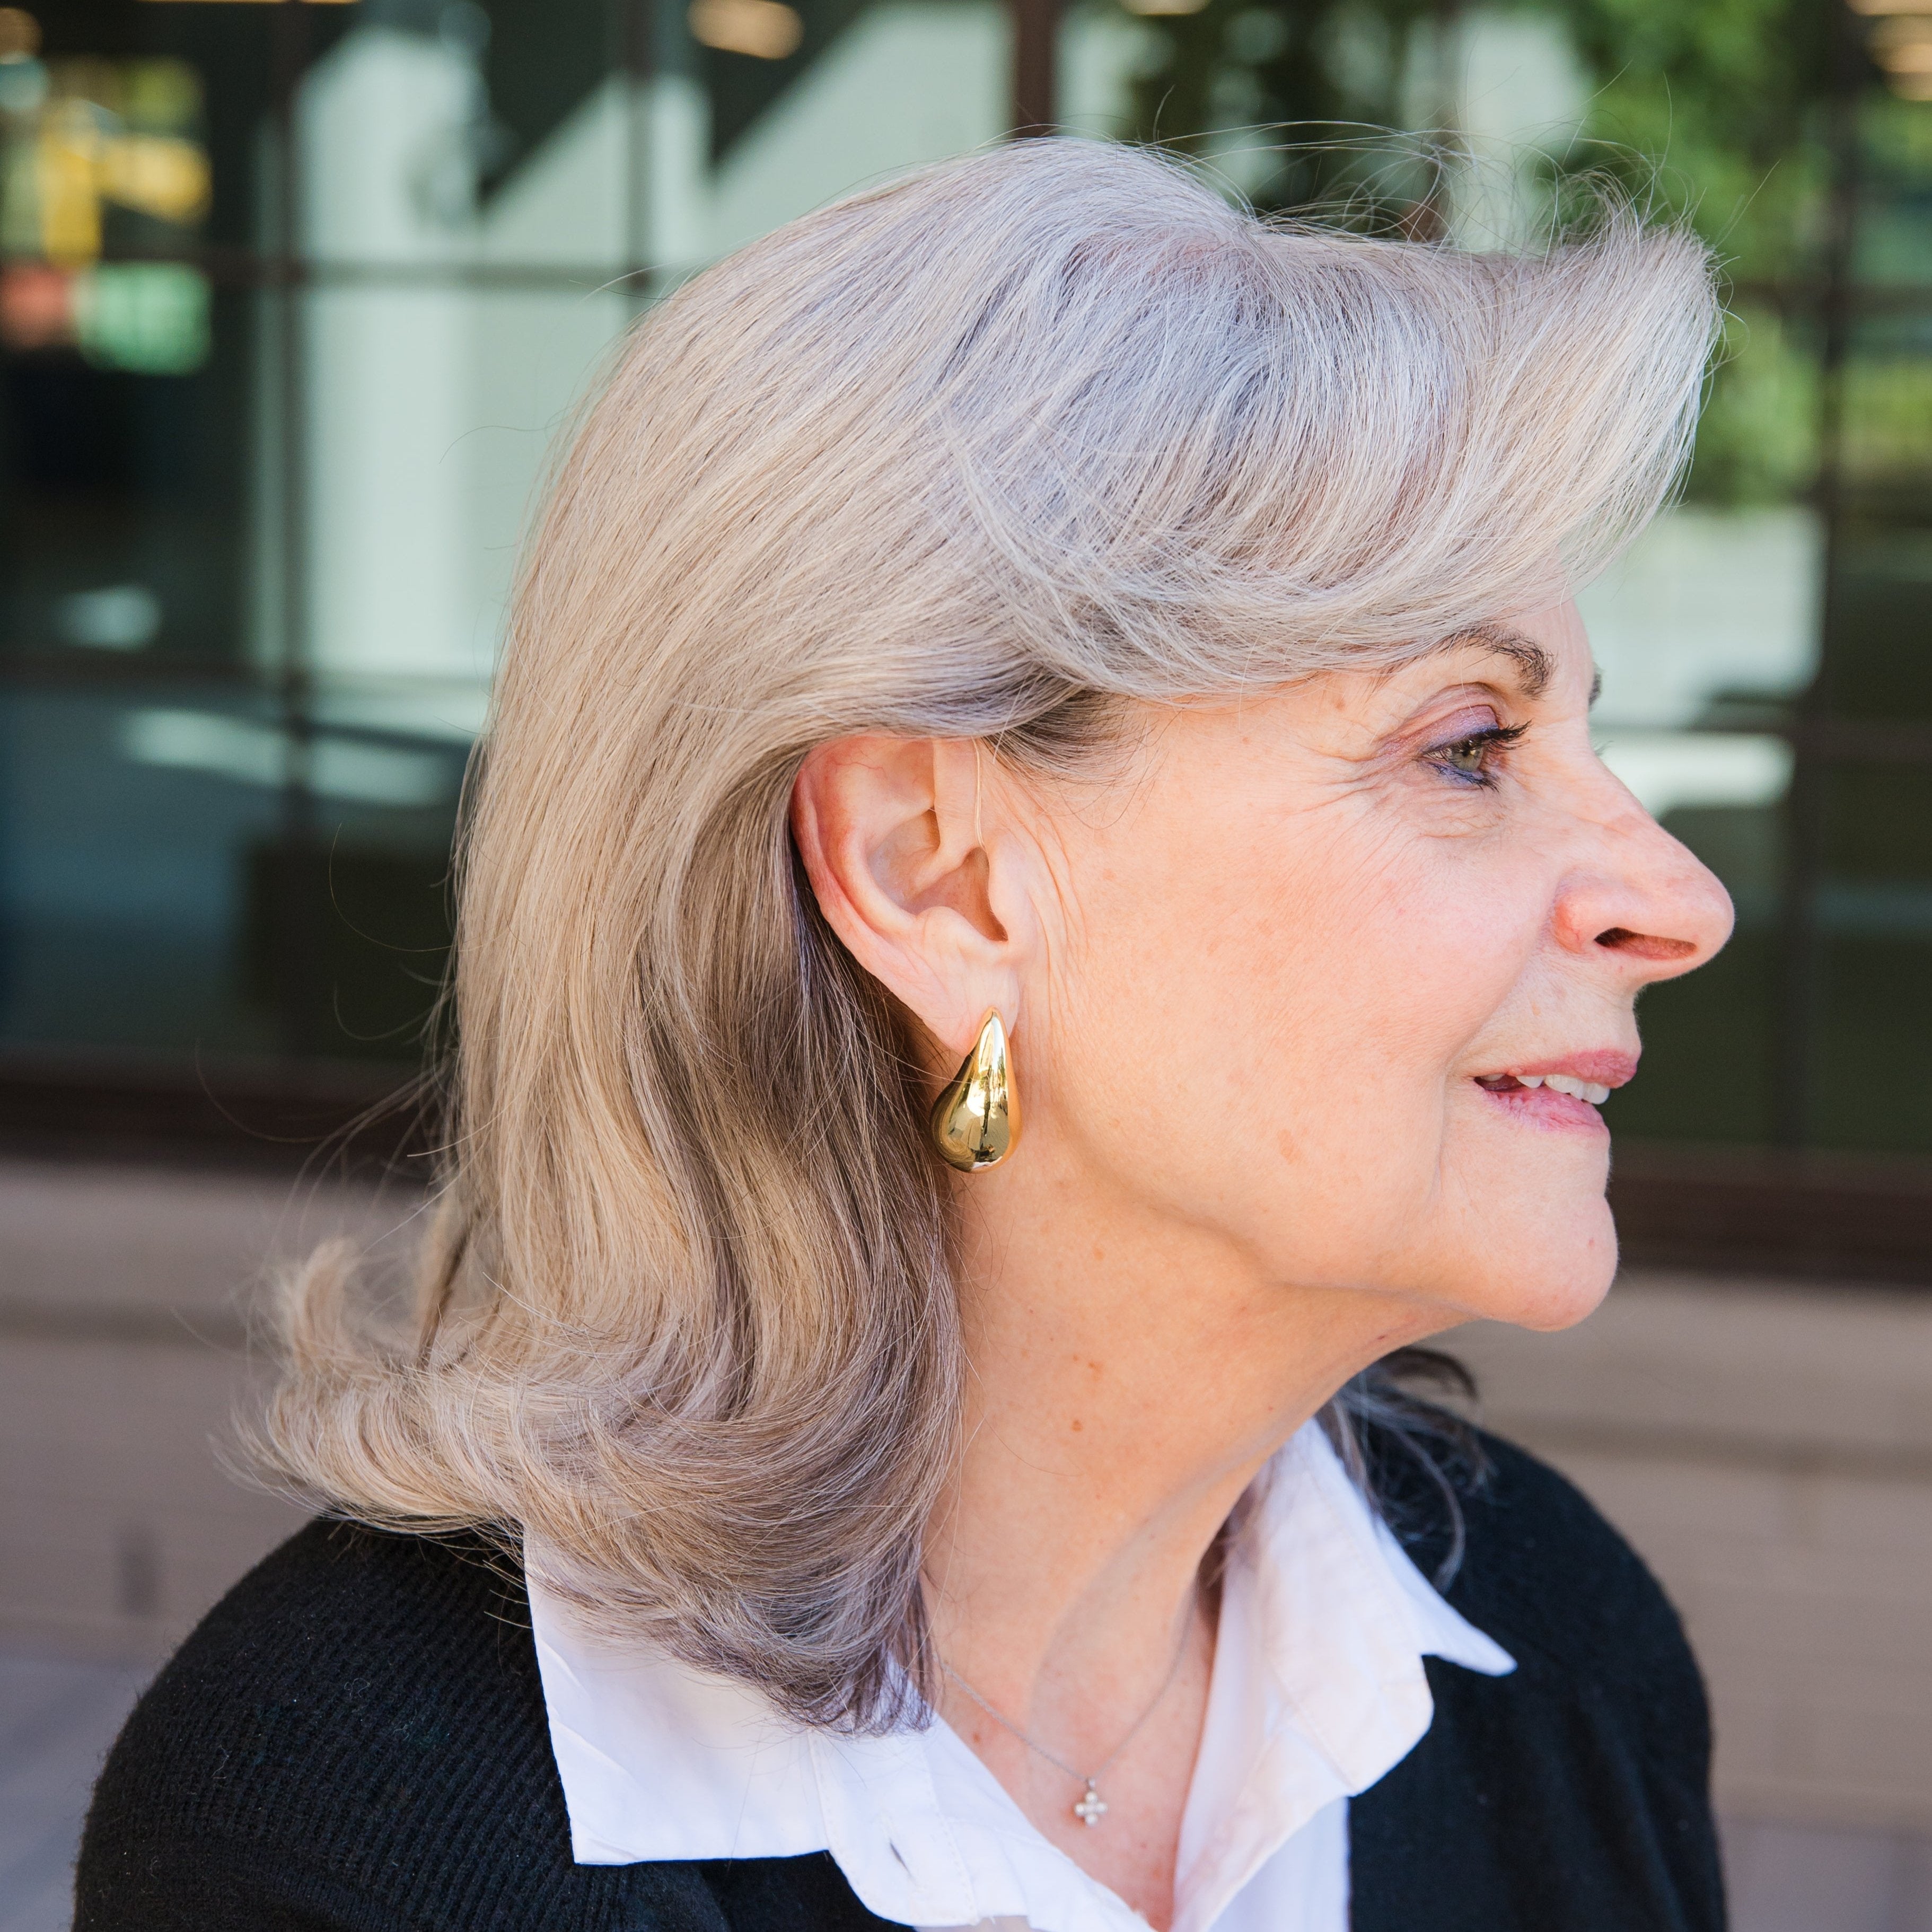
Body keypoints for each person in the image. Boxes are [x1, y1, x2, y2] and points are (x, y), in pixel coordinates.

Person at [76, 138, 1734, 1932]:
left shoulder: (1558, 1651)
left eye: (1579, 737)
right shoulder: (342, 1840)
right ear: (937, 878)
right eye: (1466, 745)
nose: (1676, 897)